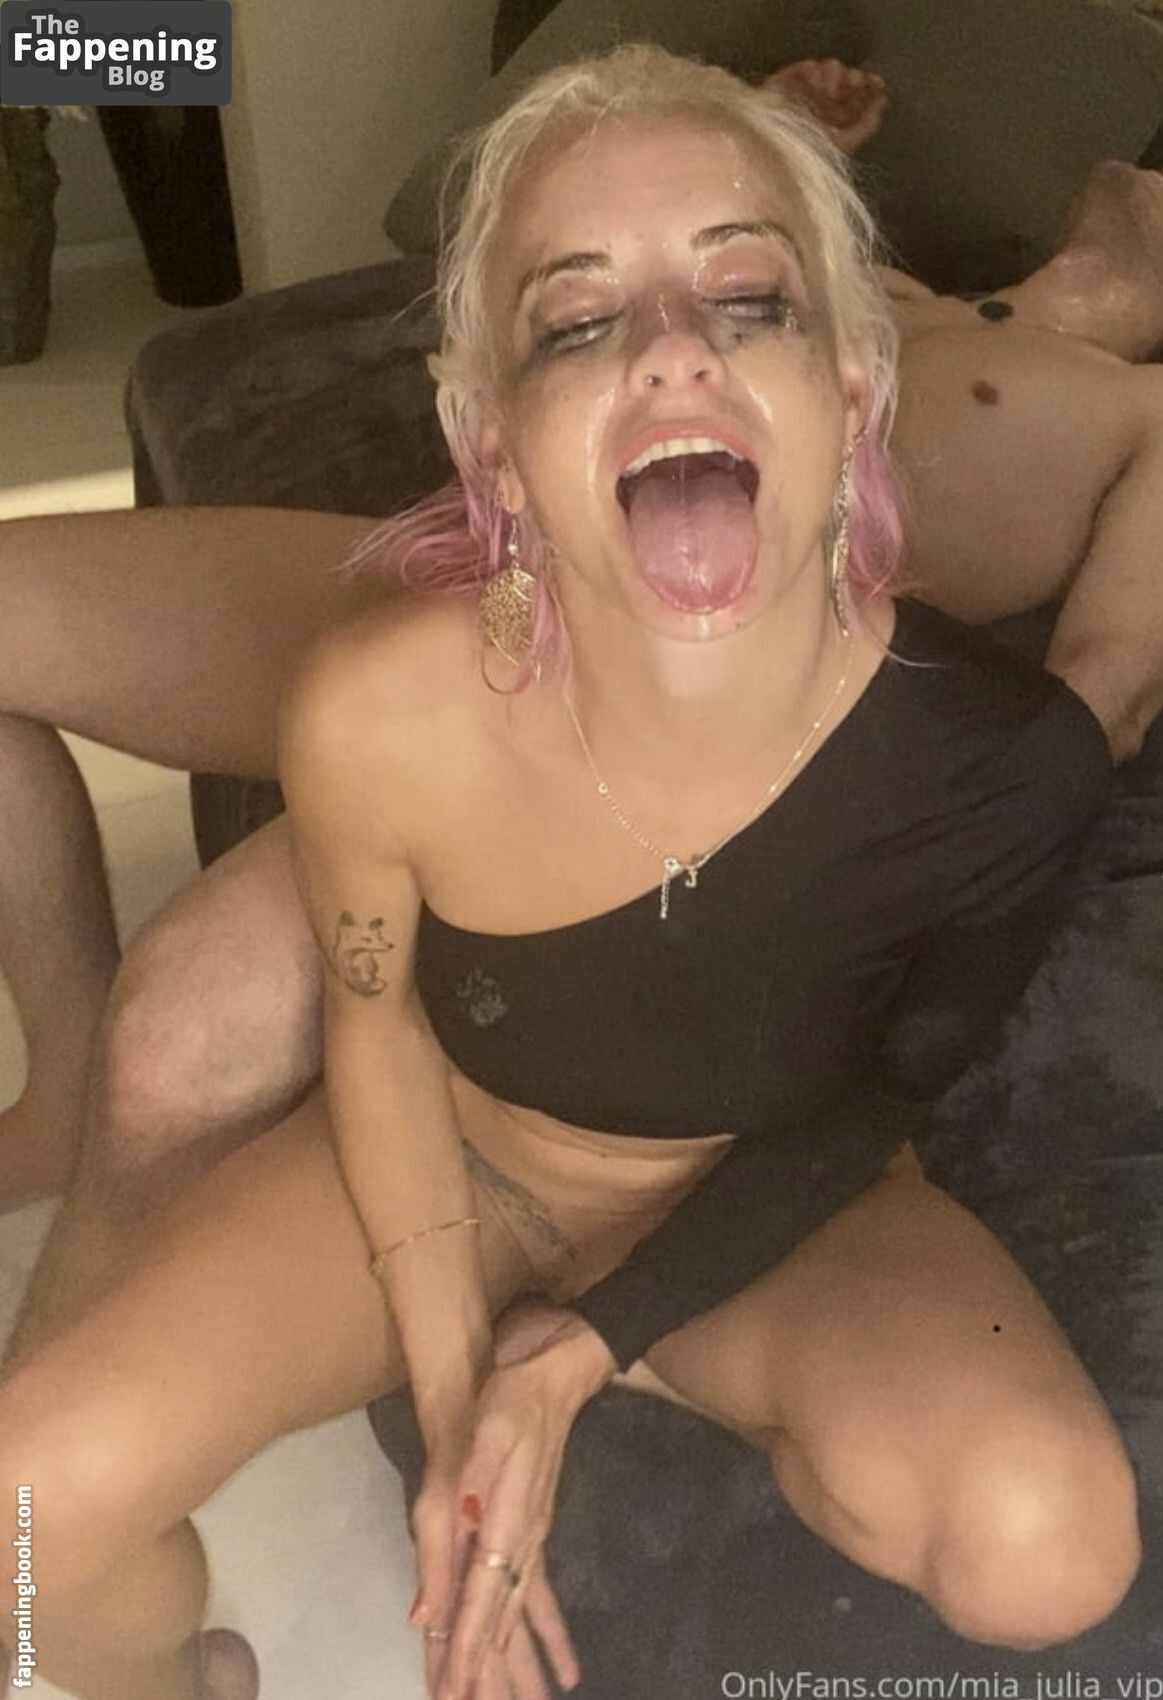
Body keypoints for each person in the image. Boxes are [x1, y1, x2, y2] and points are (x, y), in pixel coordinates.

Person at [0, 44, 1145, 1700]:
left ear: (855, 386)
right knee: (24, 1534)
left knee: (1050, 1548)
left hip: (767, 1208)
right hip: (463, 1172)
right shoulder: (380, 708)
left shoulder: (1003, 761)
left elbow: (883, 1095)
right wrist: (453, 1404)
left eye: (747, 300)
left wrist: (581, 1354)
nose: (675, 349)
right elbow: (379, 1030)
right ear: (490, 441)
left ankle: (654, 1357)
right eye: (579, 322)